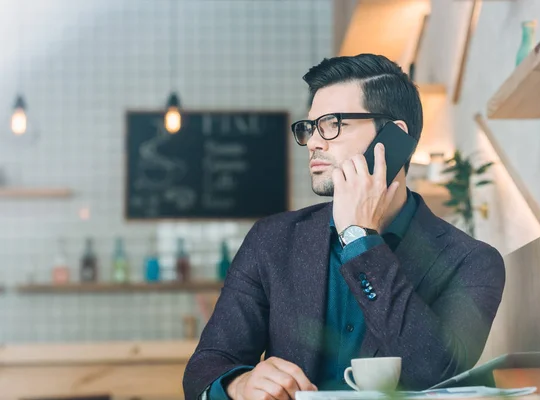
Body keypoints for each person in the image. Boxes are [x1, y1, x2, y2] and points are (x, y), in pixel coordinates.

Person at [183, 54, 505, 400]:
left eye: (334, 124)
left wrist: (359, 239)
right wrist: (238, 385)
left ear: (392, 139)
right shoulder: (272, 241)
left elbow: (435, 375)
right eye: (311, 127)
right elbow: (207, 366)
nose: (314, 142)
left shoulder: (471, 260)